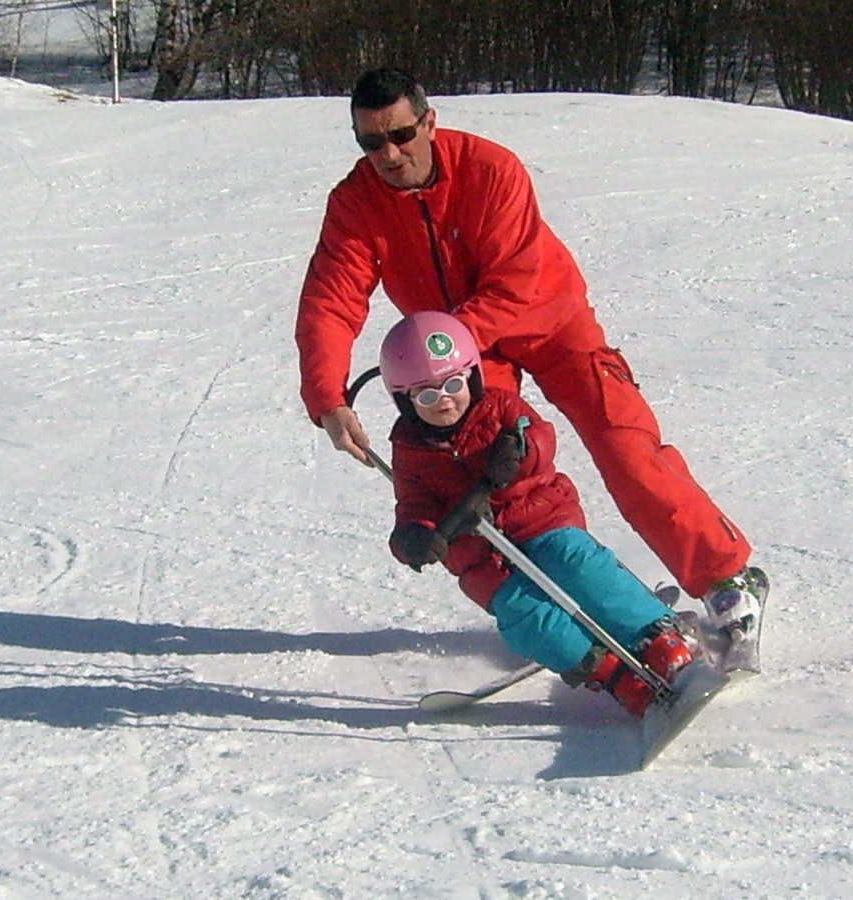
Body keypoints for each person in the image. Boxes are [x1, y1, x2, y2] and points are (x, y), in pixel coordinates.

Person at [295, 66, 763, 634]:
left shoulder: (491, 170)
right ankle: (582, 600)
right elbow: (331, 300)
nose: (389, 154)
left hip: (548, 321)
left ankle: (725, 579)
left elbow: (515, 283)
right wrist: (327, 397)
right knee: (481, 471)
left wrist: (448, 350)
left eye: (400, 135)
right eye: (372, 142)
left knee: (623, 441)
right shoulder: (356, 202)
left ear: (430, 122)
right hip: (464, 356)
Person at [379, 311, 696, 716]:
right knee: (528, 620)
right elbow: (413, 506)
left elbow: (540, 435)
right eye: (426, 395)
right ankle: (614, 676)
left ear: (473, 377)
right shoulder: (410, 451)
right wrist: (415, 537)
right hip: (483, 562)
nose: (444, 400)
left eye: (453, 384)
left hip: (542, 521)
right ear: (404, 401)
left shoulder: (500, 408)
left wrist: (518, 452)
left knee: (581, 569)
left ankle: (659, 638)